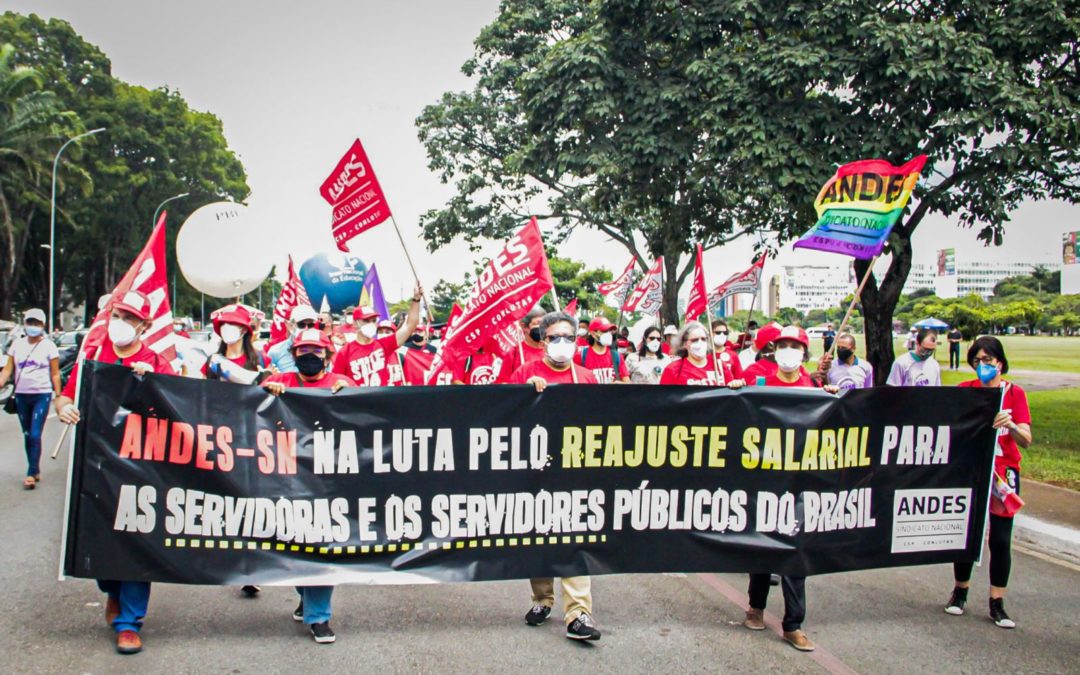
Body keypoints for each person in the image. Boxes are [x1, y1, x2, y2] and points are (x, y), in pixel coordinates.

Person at [54, 291, 176, 655]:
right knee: (99, 536)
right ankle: (112, 590)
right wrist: (63, 408)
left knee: (136, 539)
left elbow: (179, 407)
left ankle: (129, 621)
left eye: (128, 316)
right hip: (97, 464)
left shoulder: (155, 360)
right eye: (116, 313)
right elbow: (65, 396)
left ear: (144, 325)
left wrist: (155, 383)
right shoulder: (93, 357)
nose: (120, 321)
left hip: (142, 467)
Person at [506, 311, 601, 641]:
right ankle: (542, 600)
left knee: (574, 539)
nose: (562, 344)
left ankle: (578, 613)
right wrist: (526, 395)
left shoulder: (587, 377)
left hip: (574, 469)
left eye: (569, 337)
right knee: (539, 536)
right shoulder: (524, 372)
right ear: (542, 341)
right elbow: (505, 417)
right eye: (555, 337)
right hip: (535, 470)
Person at [743, 326, 836, 654]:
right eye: (782, 345)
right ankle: (755, 606)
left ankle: (793, 624)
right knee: (762, 547)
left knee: (796, 553)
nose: (787, 351)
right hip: (764, 480)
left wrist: (834, 401)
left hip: (799, 484)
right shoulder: (759, 381)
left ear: (803, 353)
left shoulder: (812, 386)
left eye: (794, 346)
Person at [262, 329, 355, 644]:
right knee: (294, 546)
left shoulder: (339, 382)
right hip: (287, 480)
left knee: (321, 545)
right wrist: (266, 391)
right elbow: (251, 408)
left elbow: (365, 411)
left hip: (328, 483)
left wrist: (351, 394)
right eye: (302, 351)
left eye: (316, 351)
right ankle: (305, 593)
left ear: (327, 354)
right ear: (294, 354)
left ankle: (319, 616)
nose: (309, 357)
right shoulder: (283, 381)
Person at [945, 336, 1032, 629]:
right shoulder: (965, 391)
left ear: (1000, 363)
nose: (983, 366)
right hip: (970, 467)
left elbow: (1027, 439)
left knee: (1000, 538)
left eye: (988, 360)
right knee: (966, 531)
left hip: (1002, 472)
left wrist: (1010, 424)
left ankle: (997, 601)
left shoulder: (1014, 394)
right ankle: (960, 590)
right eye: (978, 361)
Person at [0, 308, 60, 489]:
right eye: (30, 323)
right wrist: (2, 380)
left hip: (41, 394)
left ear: (42, 325)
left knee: (35, 433)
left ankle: (31, 473)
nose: (33, 327)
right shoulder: (17, 345)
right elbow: (8, 369)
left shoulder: (49, 346)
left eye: (37, 323)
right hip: (21, 395)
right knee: (27, 434)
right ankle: (34, 467)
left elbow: (55, 373)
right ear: (25, 324)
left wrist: (58, 396)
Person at [330, 285, 422, 386]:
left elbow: (410, 325)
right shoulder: (345, 352)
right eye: (366, 320)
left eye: (373, 321)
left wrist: (416, 299)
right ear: (355, 324)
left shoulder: (384, 344)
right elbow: (335, 384)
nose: (371, 324)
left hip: (381, 400)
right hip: (357, 401)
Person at [659, 321, 745, 388]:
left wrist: (736, 384)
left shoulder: (720, 366)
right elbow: (665, 399)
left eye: (703, 339)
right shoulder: (673, 369)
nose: (700, 343)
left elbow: (730, 392)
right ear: (684, 344)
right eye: (695, 340)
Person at [202, 304, 267, 382]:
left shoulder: (260, 359)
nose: (226, 327)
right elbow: (203, 391)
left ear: (244, 330)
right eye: (223, 323)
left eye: (232, 323)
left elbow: (269, 387)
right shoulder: (212, 362)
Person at [496, 306, 547, 382]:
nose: (543, 327)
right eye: (538, 323)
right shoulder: (514, 353)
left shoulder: (552, 350)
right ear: (524, 326)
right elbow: (503, 384)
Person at [268, 305, 320, 374]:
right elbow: (267, 379)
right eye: (301, 324)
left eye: (310, 325)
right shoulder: (275, 351)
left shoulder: (321, 350)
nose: (306, 328)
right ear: (290, 325)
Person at [579, 316, 629, 383]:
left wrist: (619, 385)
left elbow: (627, 382)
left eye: (609, 331)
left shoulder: (616, 356)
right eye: (604, 331)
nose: (608, 334)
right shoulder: (581, 356)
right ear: (593, 334)